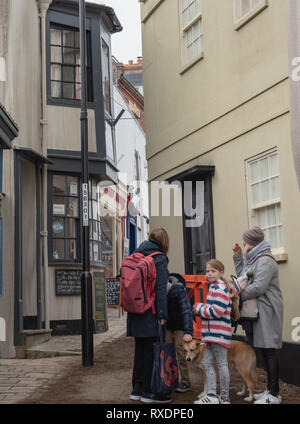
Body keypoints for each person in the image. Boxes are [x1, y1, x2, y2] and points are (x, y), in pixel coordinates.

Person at [233, 226, 283, 404]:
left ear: (252, 244)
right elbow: (243, 278)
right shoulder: (255, 259)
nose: (244, 244)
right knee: (263, 350)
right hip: (258, 311)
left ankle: (274, 395)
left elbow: (258, 287)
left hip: (267, 311)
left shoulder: (265, 261)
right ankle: (270, 390)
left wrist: (236, 293)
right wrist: (238, 258)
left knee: (269, 351)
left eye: (245, 242)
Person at [127, 227, 171, 404]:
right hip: (151, 312)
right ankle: (148, 392)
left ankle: (136, 390)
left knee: (139, 351)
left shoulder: (136, 255)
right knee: (150, 352)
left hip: (135, 311)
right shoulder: (159, 258)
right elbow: (160, 290)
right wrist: (162, 315)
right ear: (164, 241)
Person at [193, 259, 232, 404]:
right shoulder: (214, 287)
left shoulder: (220, 288)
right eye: (207, 271)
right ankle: (211, 395)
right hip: (211, 334)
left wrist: (198, 308)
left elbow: (217, 311)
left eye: (213, 271)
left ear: (221, 272)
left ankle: (224, 398)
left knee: (222, 364)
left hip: (219, 334)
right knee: (207, 363)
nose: (209, 274)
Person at [165, 273, 193, 393]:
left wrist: (188, 331)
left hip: (181, 322)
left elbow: (186, 310)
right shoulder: (157, 289)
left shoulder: (179, 289)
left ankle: (186, 381)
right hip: (167, 323)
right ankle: (169, 379)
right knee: (166, 349)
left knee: (180, 348)